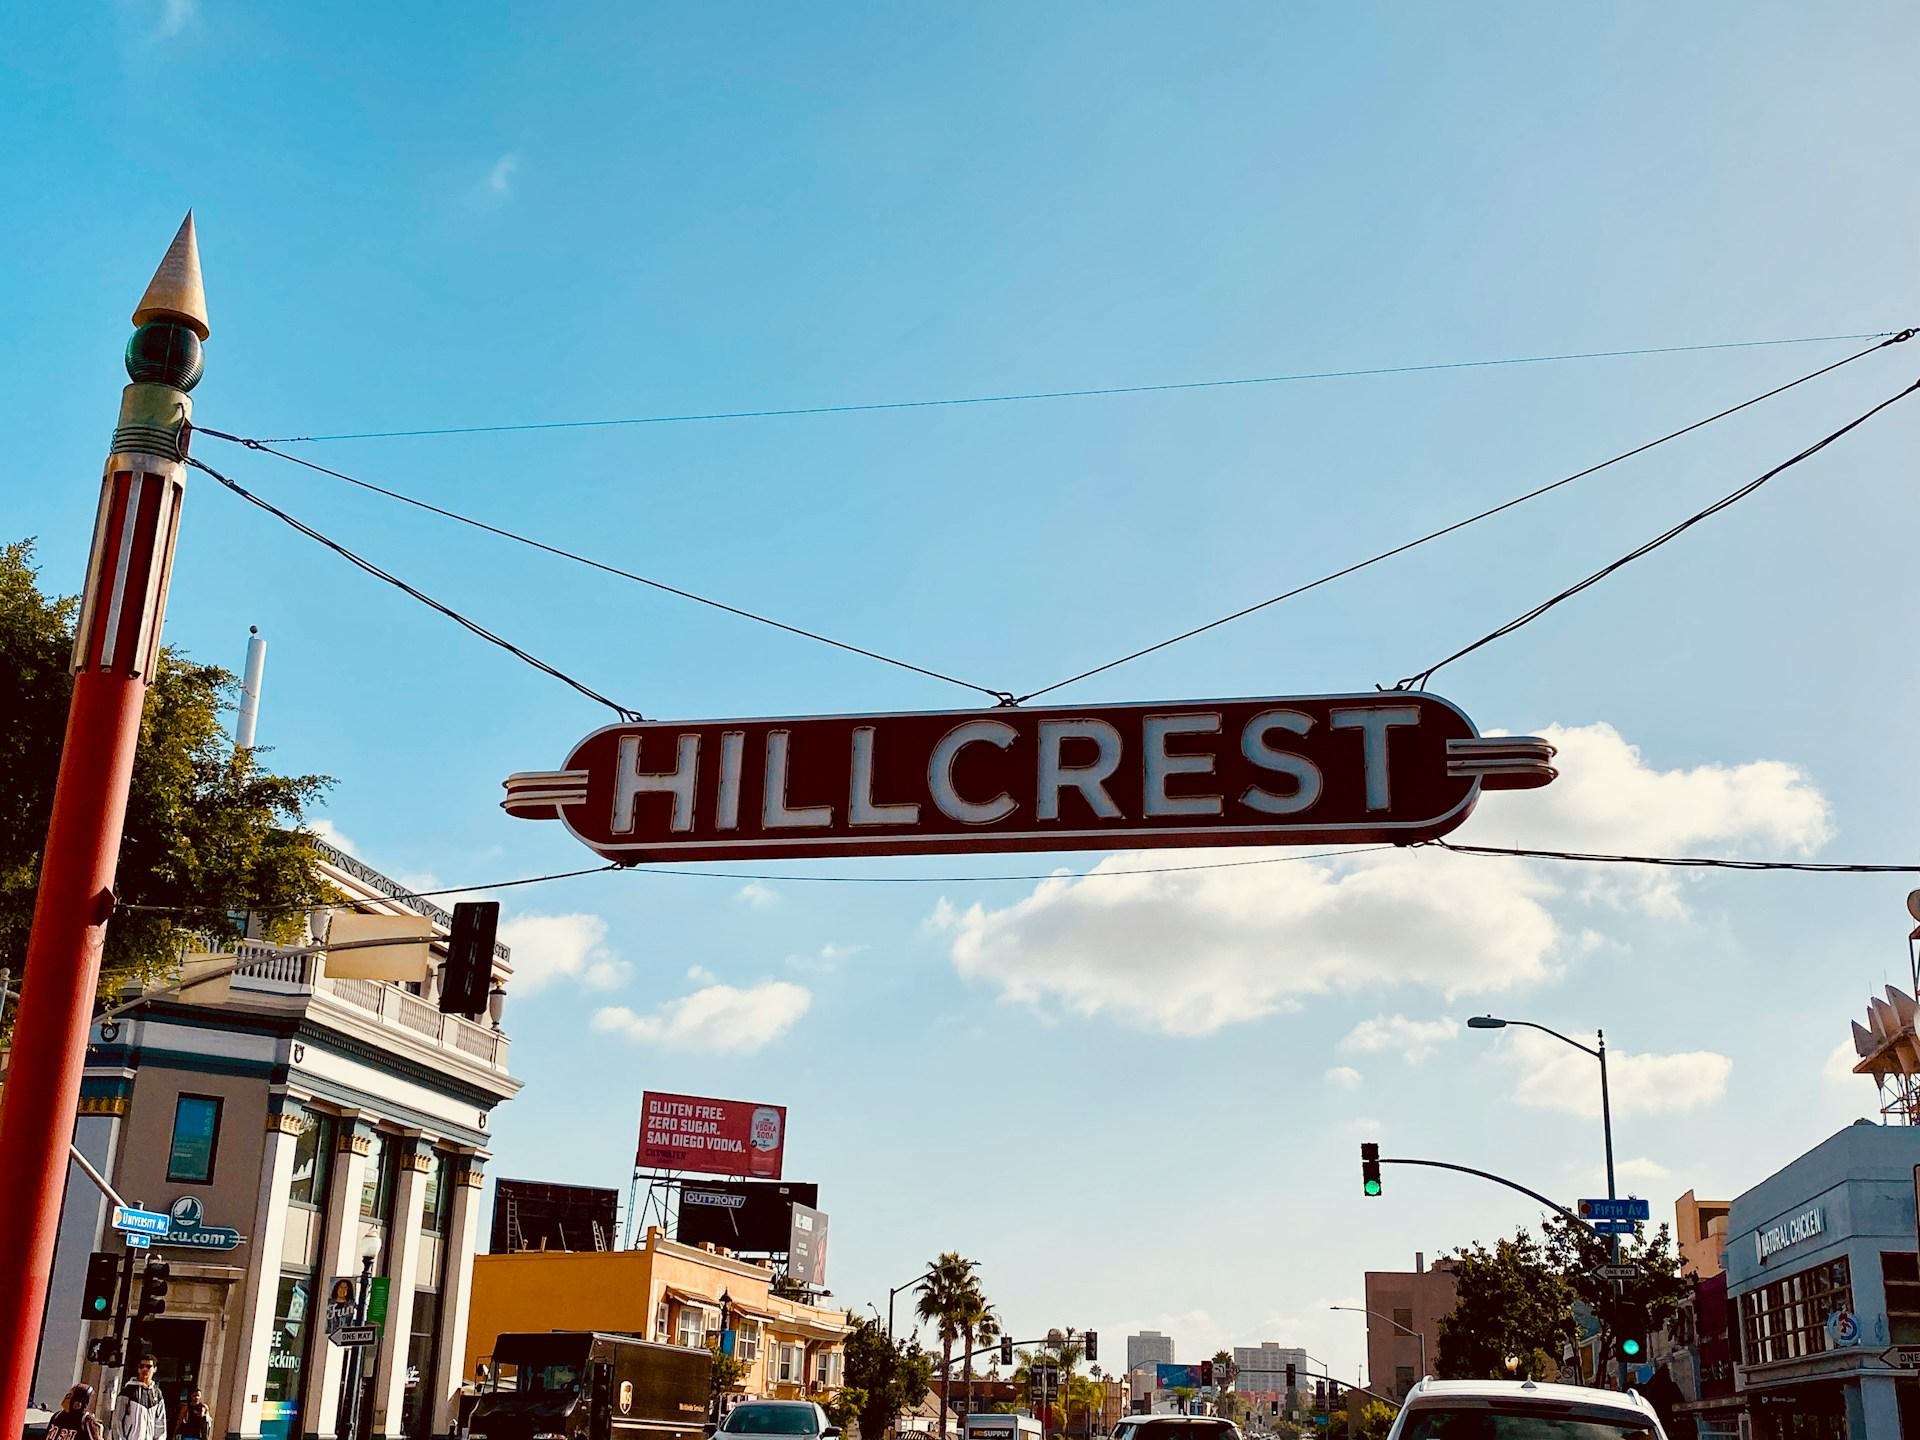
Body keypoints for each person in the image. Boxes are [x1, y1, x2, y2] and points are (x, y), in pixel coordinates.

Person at [113, 1357, 167, 1440]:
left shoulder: (157, 1393)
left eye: (148, 1366)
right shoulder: (128, 1391)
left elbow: (160, 1422)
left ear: (155, 1369)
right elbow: (117, 1420)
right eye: (142, 1366)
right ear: (138, 1369)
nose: (144, 1369)